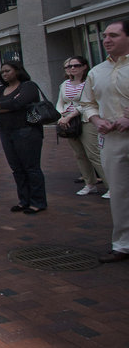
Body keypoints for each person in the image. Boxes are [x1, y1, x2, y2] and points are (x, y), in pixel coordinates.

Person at [79, 21, 129, 263]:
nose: (106, 40)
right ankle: (122, 244)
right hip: (112, 139)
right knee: (118, 192)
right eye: (105, 36)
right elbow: (87, 103)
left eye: (113, 35)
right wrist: (97, 120)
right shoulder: (96, 72)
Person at [0, 61, 47, 214]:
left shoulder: (28, 86)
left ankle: (37, 202)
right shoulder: (0, 89)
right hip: (6, 132)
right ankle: (24, 200)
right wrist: (6, 106)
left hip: (27, 131)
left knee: (31, 168)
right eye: (2, 72)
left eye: (8, 71)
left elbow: (19, 103)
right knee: (17, 169)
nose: (4, 74)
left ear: (17, 70)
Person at [55, 56, 109, 197]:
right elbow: (60, 102)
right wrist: (62, 116)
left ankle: (111, 185)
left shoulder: (89, 82)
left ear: (84, 66)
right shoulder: (64, 84)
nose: (72, 69)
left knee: (94, 154)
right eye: (69, 67)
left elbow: (88, 103)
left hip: (87, 120)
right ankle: (90, 184)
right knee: (79, 155)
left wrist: (70, 115)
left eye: (76, 65)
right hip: (70, 123)